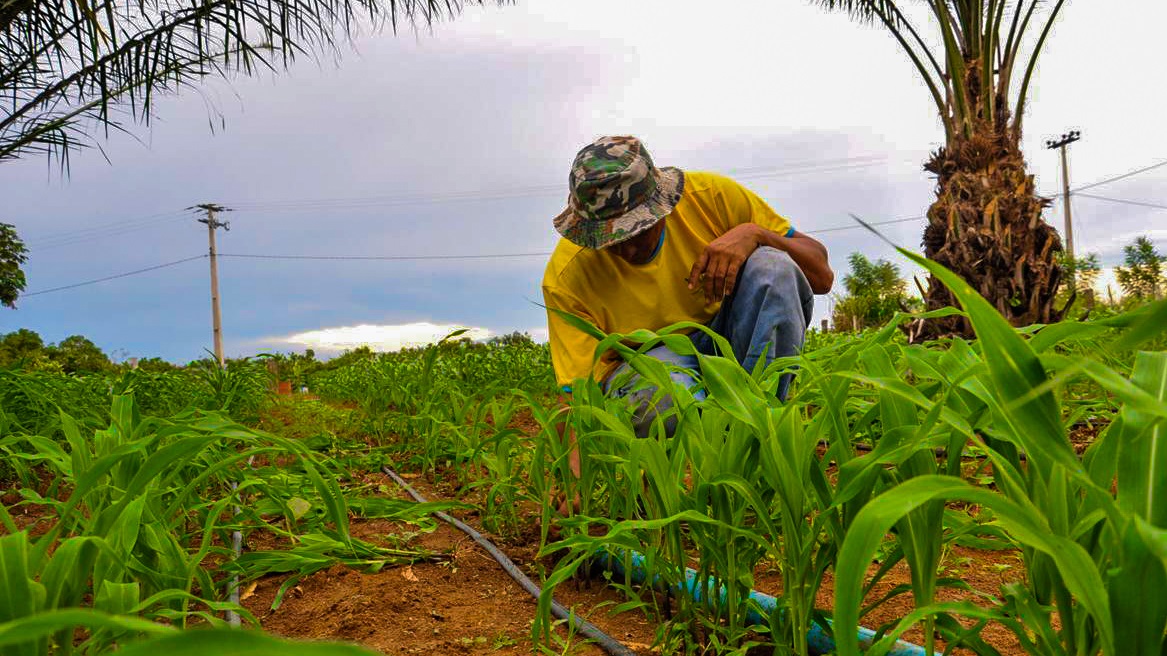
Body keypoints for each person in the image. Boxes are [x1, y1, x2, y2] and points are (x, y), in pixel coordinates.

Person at [542, 135, 834, 443]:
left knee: (774, 267)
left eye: (638, 231)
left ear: (664, 205)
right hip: (653, 362)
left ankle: (763, 427)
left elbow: (822, 277)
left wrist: (756, 234)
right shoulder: (568, 276)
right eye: (611, 241)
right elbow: (576, 397)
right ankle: (701, 456)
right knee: (660, 403)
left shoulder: (711, 197)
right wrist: (574, 486)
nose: (627, 251)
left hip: (732, 332)